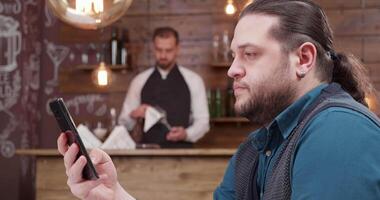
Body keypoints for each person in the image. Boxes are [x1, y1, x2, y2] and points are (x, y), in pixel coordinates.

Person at [56, 0, 380, 199]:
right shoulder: (256, 149)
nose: (232, 70)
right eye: (233, 56)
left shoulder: (340, 133)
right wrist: (113, 195)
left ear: (304, 59)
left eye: (249, 54)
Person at [118, 26, 209, 148]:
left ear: (177, 49)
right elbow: (123, 124)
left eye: (168, 50)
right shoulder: (139, 81)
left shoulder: (194, 80)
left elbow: (203, 122)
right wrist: (134, 115)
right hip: (145, 156)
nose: (163, 55)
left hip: (183, 156)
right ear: (153, 48)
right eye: (159, 50)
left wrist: (186, 134)